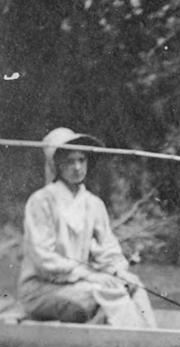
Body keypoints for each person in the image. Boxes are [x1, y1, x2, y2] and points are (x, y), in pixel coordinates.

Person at [18, 127, 157, 328]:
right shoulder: (41, 201)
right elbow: (44, 259)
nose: (77, 167)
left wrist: (117, 272)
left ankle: (151, 341)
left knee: (132, 285)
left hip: (79, 283)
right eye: (69, 161)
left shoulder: (93, 204)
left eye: (81, 160)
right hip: (41, 288)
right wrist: (90, 276)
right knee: (101, 297)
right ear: (57, 165)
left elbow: (109, 251)